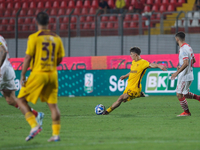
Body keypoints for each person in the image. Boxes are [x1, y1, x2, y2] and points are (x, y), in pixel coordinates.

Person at [16, 12, 65, 142]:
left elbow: (28, 57)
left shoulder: (34, 37)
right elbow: (60, 58)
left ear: (36, 22)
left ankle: (34, 125)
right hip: (52, 74)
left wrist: (22, 74)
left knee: (20, 99)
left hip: (38, 73)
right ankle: (55, 135)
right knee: (53, 106)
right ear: (48, 22)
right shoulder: (56, 38)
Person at [103, 47, 167, 115]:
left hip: (135, 87)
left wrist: (159, 65)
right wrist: (125, 76)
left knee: (121, 98)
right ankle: (139, 95)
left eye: (131, 54)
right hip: (129, 86)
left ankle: (107, 112)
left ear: (135, 55)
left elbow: (151, 64)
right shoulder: (133, 62)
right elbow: (132, 72)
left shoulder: (143, 62)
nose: (130, 56)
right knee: (124, 100)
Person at [0, 35, 44, 125]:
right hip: (7, 70)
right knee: (10, 100)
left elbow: (3, 51)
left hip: (2, 70)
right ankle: (36, 115)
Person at [171, 32, 200, 117]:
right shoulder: (188, 47)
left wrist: (177, 72)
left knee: (179, 94)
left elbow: (186, 63)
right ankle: (198, 98)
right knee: (185, 93)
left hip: (184, 76)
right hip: (190, 74)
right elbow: (193, 60)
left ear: (177, 39)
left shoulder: (183, 49)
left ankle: (186, 112)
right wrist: (181, 66)